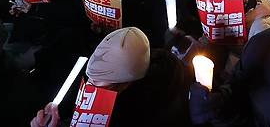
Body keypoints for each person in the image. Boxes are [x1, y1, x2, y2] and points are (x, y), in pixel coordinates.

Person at [30, 27, 192, 127]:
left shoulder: (152, 110)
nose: (89, 85)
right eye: (90, 77)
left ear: (126, 82)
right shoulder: (104, 85)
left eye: (99, 79)